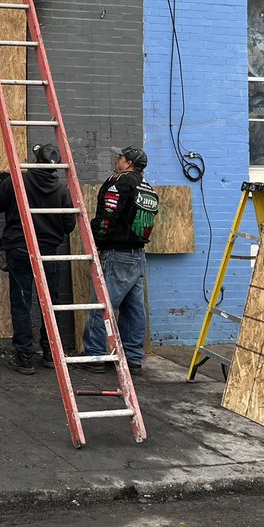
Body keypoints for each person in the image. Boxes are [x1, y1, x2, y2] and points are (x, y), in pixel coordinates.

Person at [0, 143, 77, 375]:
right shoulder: (61, 190)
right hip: (48, 251)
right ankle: (50, 353)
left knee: (21, 303)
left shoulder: (18, 182)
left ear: (35, 161)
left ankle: (25, 356)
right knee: (49, 303)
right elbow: (69, 224)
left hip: (20, 249)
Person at [80, 145, 153, 374]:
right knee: (134, 309)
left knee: (101, 306)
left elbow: (107, 217)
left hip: (117, 254)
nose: (117, 160)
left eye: (120, 157)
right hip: (137, 255)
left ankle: (95, 356)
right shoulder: (147, 188)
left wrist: (97, 238)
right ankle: (133, 358)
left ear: (129, 163)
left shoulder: (120, 183)